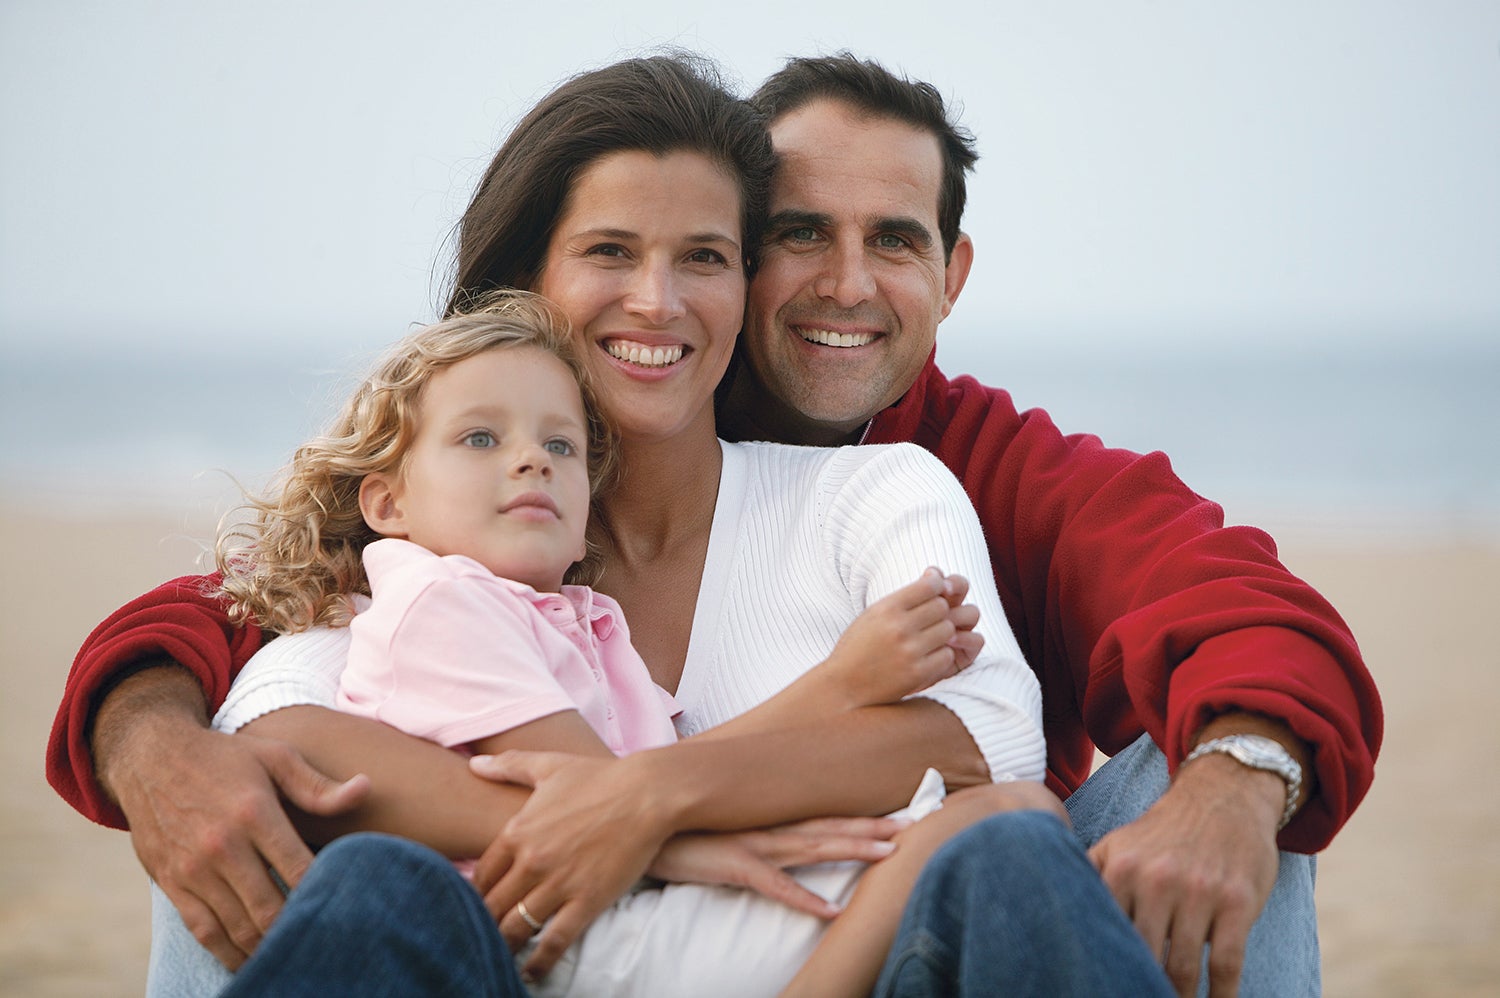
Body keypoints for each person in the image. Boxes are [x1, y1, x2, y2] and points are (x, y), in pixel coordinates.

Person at [53, 54, 1165, 997]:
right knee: (333, 863)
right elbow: (278, 716)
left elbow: (995, 744)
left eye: (705, 257)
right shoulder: (471, 529)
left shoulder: (876, 490)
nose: (659, 302)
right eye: (609, 252)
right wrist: (144, 725)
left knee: (1047, 827)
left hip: (839, 961)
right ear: (525, 281)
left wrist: (642, 803)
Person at [708, 53, 1382, 996]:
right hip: (702, 942)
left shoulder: (1001, 466)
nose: (849, 283)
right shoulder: (617, 456)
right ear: (731, 249)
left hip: (989, 949)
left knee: (1234, 753)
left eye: (895, 242)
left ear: (952, 275)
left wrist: (1230, 789)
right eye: (802, 232)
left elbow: (1256, 614)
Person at [201, 287, 1022, 998]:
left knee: (1000, 817)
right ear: (386, 502)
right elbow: (603, 799)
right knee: (987, 824)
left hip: (626, 910)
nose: (531, 461)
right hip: (576, 931)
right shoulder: (439, 604)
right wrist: (840, 686)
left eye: (559, 445)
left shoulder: (577, 619)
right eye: (481, 439)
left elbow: (647, 786)